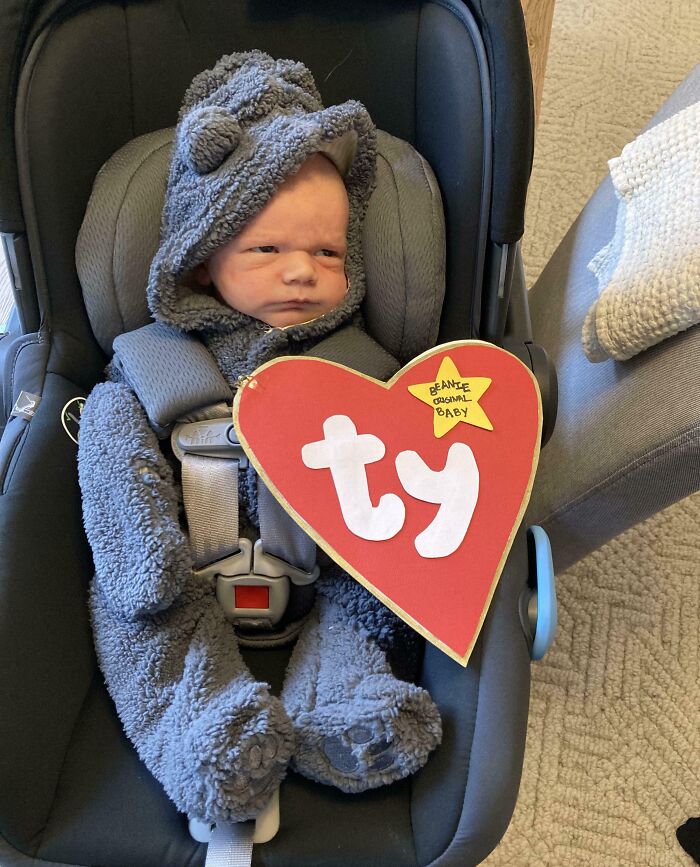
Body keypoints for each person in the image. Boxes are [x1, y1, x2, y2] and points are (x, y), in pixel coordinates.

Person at [77, 50, 441, 825]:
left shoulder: (364, 372)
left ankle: (345, 706)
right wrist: (144, 556)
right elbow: (109, 444)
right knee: (135, 616)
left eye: (329, 252)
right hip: (179, 576)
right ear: (202, 261)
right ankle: (208, 732)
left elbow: (408, 493)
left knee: (378, 600)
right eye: (267, 250)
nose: (302, 272)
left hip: (329, 569)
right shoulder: (152, 365)